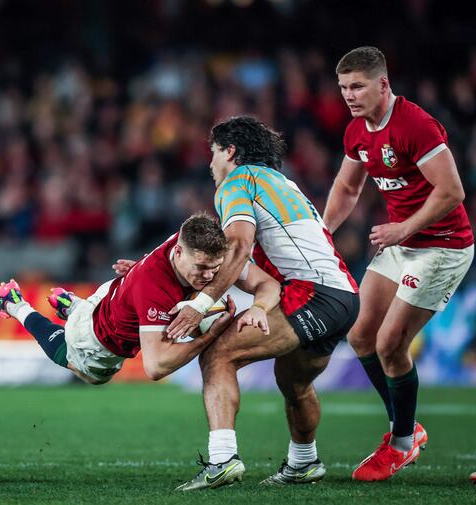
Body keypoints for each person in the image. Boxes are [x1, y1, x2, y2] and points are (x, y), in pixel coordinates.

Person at [120, 117, 359, 489]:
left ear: (230, 151)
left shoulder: (237, 180)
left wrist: (200, 303)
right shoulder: (282, 183)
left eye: (213, 152)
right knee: (294, 383)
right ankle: (304, 462)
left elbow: (238, 245)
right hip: (343, 294)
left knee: (218, 356)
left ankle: (222, 460)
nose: (209, 163)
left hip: (313, 293)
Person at [323, 46, 473, 481]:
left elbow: (452, 192)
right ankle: (406, 429)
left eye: (358, 86)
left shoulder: (415, 125)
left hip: (443, 246)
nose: (350, 95)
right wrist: (323, 231)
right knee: (360, 333)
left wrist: (403, 228)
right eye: (344, 88)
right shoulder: (357, 131)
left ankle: (401, 443)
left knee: (390, 343)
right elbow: (348, 189)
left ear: (383, 84)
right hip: (403, 241)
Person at [0, 212, 281, 388]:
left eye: (214, 269)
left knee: (148, 304)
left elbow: (268, 284)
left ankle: (75, 307)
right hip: (96, 340)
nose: (208, 277)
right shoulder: (153, 288)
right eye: (201, 268)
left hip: (114, 295)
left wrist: (258, 307)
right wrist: (210, 336)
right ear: (179, 253)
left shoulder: (190, 241)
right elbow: (155, 368)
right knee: (88, 374)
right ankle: (16, 304)